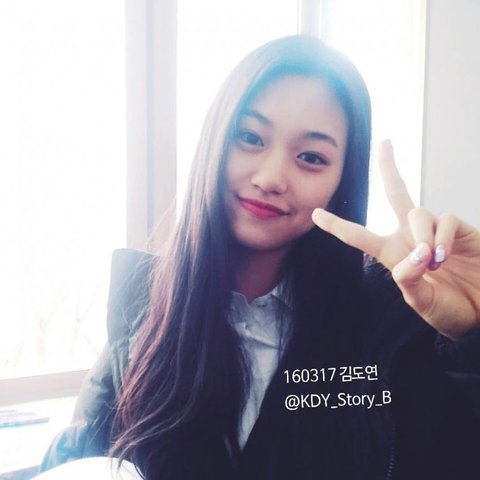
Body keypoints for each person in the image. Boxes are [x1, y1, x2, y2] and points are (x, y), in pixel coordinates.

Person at [39, 35, 480, 479]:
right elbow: (79, 460)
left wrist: (473, 333)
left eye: (311, 157)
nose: (270, 178)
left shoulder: (388, 322)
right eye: (250, 137)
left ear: (341, 183)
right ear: (214, 143)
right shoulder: (142, 306)